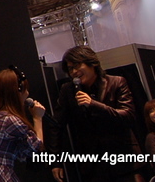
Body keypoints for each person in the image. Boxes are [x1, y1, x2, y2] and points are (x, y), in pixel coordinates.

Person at [48, 46, 144, 182]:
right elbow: (56, 125)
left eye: (77, 66)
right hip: (93, 166)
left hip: (124, 161)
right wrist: (55, 161)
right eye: (70, 69)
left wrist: (94, 104)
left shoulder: (116, 82)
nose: (74, 72)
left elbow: (128, 116)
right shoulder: (68, 90)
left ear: (92, 63)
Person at [0, 66, 45, 181]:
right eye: (25, 89)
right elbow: (35, 147)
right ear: (17, 92)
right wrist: (37, 118)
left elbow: (20, 151)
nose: (27, 93)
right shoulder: (11, 121)